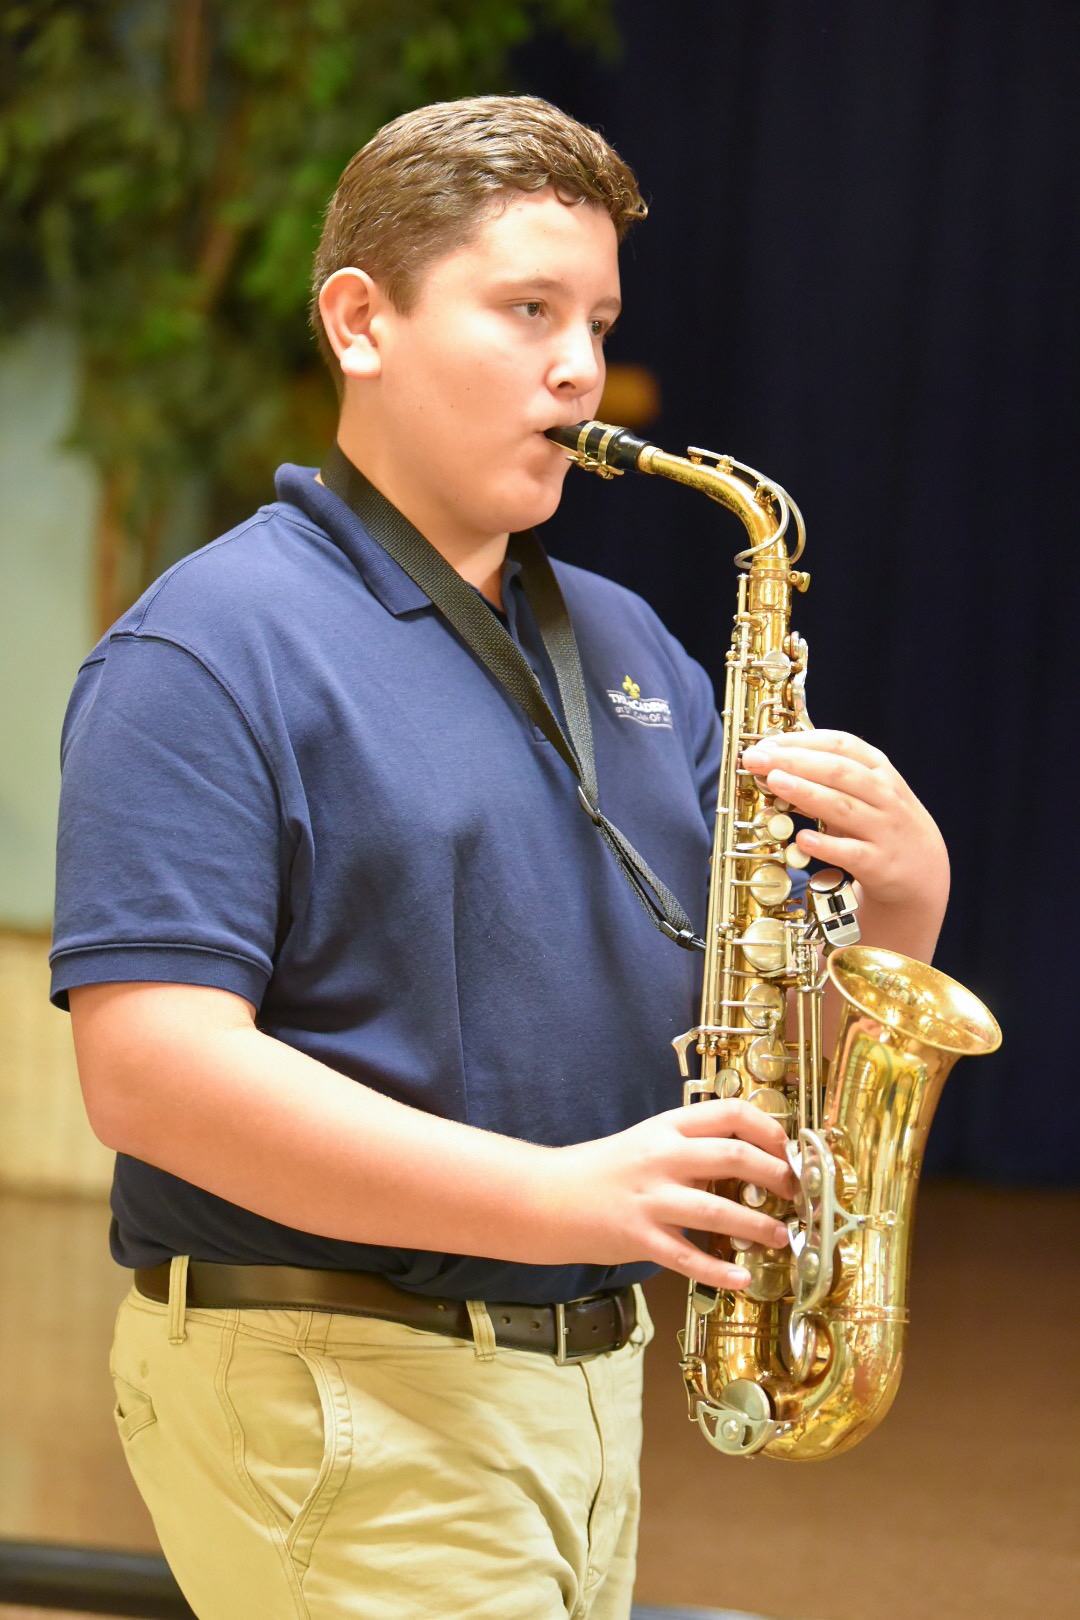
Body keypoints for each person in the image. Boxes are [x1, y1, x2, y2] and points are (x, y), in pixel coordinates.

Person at [51, 96, 950, 1620]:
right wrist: (560, 1199)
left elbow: (763, 1060)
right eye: (528, 309)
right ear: (361, 322)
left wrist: (900, 910)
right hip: (332, 1379)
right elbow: (149, 1075)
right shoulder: (206, 648)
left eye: (597, 321)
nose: (580, 367)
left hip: (581, 1385)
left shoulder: (630, 642)